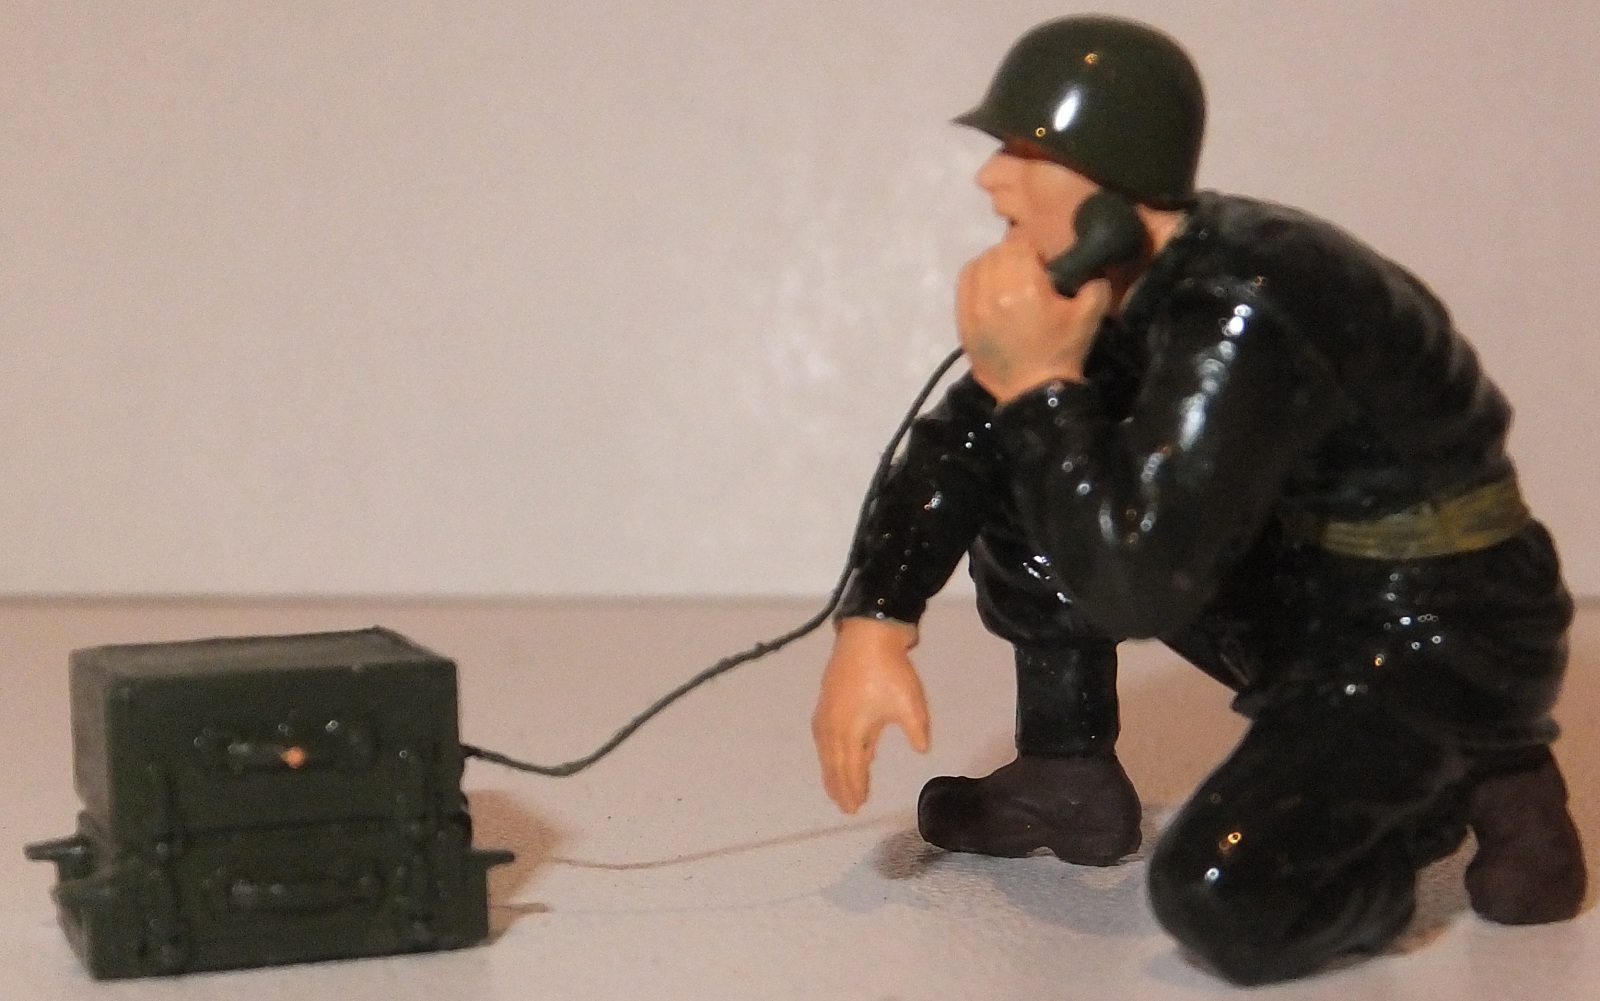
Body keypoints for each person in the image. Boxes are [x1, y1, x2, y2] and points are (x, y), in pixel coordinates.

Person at [810, 14, 1586, 984]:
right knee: (1026, 473)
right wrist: (876, 620)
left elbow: (1140, 580)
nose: (991, 179)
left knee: (1220, 893)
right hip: (1317, 579)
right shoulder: (1129, 274)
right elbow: (967, 438)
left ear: (1112, 181)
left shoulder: (1243, 309)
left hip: (1432, 620)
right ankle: (1065, 772)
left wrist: (1040, 386)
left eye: (1026, 153)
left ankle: (1439, 794)